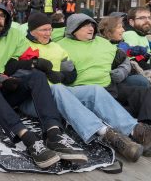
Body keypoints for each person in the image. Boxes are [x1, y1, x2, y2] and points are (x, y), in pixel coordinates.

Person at [0, 1, 86, 169]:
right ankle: (27, 138)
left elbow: (17, 64)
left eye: (2, 16)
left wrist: (33, 65)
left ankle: (53, 133)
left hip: (7, 87)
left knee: (37, 76)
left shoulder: (14, 34)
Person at [20, 13, 151, 162]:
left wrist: (64, 73)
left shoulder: (56, 47)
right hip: (34, 99)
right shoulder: (23, 46)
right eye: (43, 30)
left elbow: (71, 76)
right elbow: (15, 73)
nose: (48, 33)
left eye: (50, 29)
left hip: (71, 91)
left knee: (95, 90)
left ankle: (136, 130)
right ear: (31, 30)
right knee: (58, 89)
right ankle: (107, 134)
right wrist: (39, 67)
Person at [58, 14, 151, 125]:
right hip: (84, 93)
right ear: (73, 28)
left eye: (92, 25)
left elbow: (124, 60)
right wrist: (62, 69)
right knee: (118, 110)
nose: (91, 28)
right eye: (86, 26)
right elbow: (50, 74)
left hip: (110, 88)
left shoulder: (103, 42)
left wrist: (122, 71)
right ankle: (123, 121)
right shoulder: (59, 46)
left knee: (146, 93)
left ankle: (146, 125)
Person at [98, 16, 150, 88]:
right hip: (113, 79)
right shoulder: (101, 45)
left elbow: (130, 51)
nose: (123, 30)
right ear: (108, 30)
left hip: (127, 72)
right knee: (141, 81)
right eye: (119, 27)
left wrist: (139, 50)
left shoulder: (122, 44)